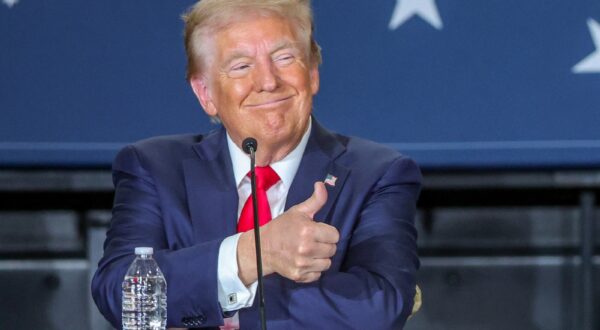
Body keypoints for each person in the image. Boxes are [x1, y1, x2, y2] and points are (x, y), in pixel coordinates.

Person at [91, 0, 422, 329]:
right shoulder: (155, 168)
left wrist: (224, 307)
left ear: (312, 72)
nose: (267, 81)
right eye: (241, 66)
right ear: (205, 93)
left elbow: (381, 305)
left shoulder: (376, 173)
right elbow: (121, 291)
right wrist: (253, 253)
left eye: (284, 58)